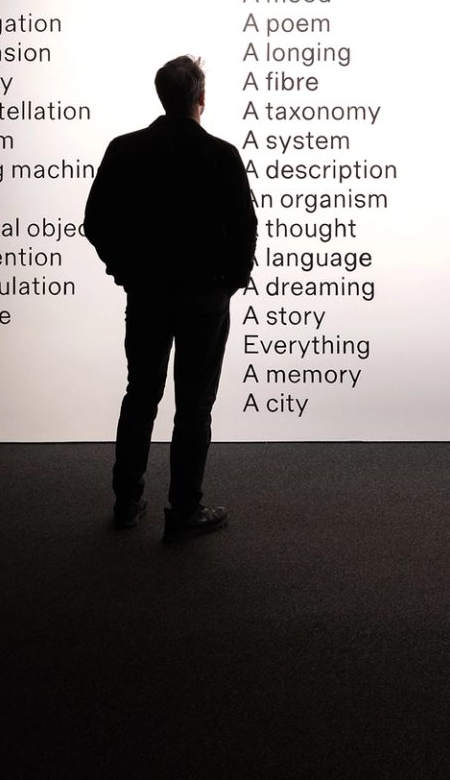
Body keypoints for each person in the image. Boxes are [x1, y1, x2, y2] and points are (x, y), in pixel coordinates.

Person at [84, 55, 256, 542]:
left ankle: (126, 501)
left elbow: (95, 223)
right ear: (201, 98)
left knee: (141, 396)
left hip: (148, 296)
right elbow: (245, 227)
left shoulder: (125, 149)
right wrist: (232, 280)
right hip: (205, 298)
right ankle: (183, 511)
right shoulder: (221, 155)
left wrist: (124, 271)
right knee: (194, 407)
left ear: (160, 96)